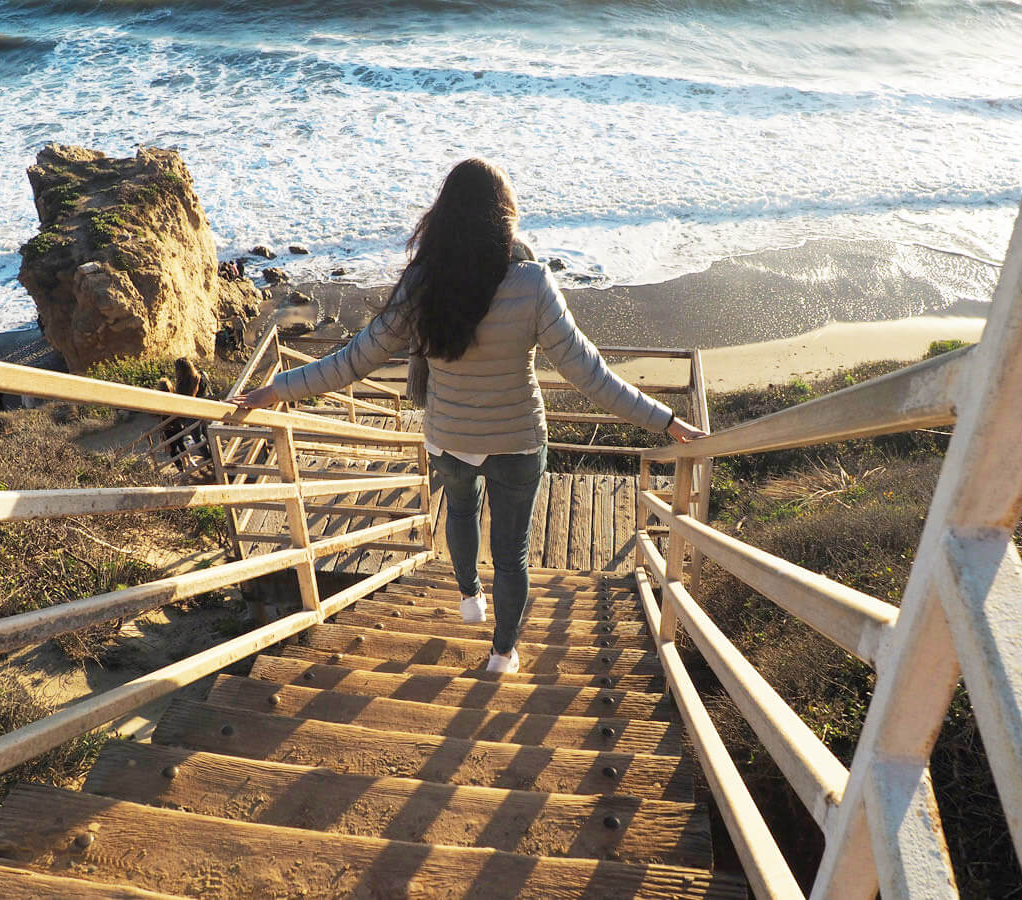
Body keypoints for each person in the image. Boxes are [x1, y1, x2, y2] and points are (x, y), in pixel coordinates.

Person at [236, 158, 706, 673]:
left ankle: (469, 597)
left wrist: (278, 389)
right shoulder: (532, 284)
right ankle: (502, 654)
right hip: (517, 442)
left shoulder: (421, 284)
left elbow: (353, 361)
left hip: (449, 439)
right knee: (513, 556)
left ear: (444, 215)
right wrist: (665, 420)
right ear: (504, 216)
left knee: (459, 513)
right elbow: (588, 374)